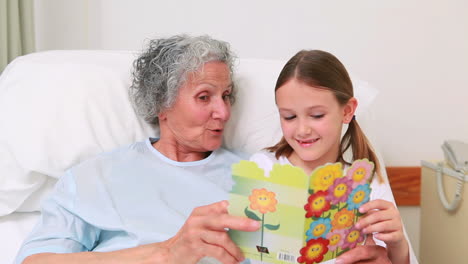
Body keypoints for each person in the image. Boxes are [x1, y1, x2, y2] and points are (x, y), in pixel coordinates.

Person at [15, 35, 260, 264]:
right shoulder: (98, 176)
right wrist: (167, 253)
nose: (224, 112)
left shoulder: (259, 176)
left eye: (226, 95)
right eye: (204, 97)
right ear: (161, 102)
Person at [250, 50, 418, 264]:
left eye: (317, 115)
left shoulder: (366, 183)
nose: (302, 129)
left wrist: (398, 244)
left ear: (347, 111)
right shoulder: (263, 169)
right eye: (289, 117)